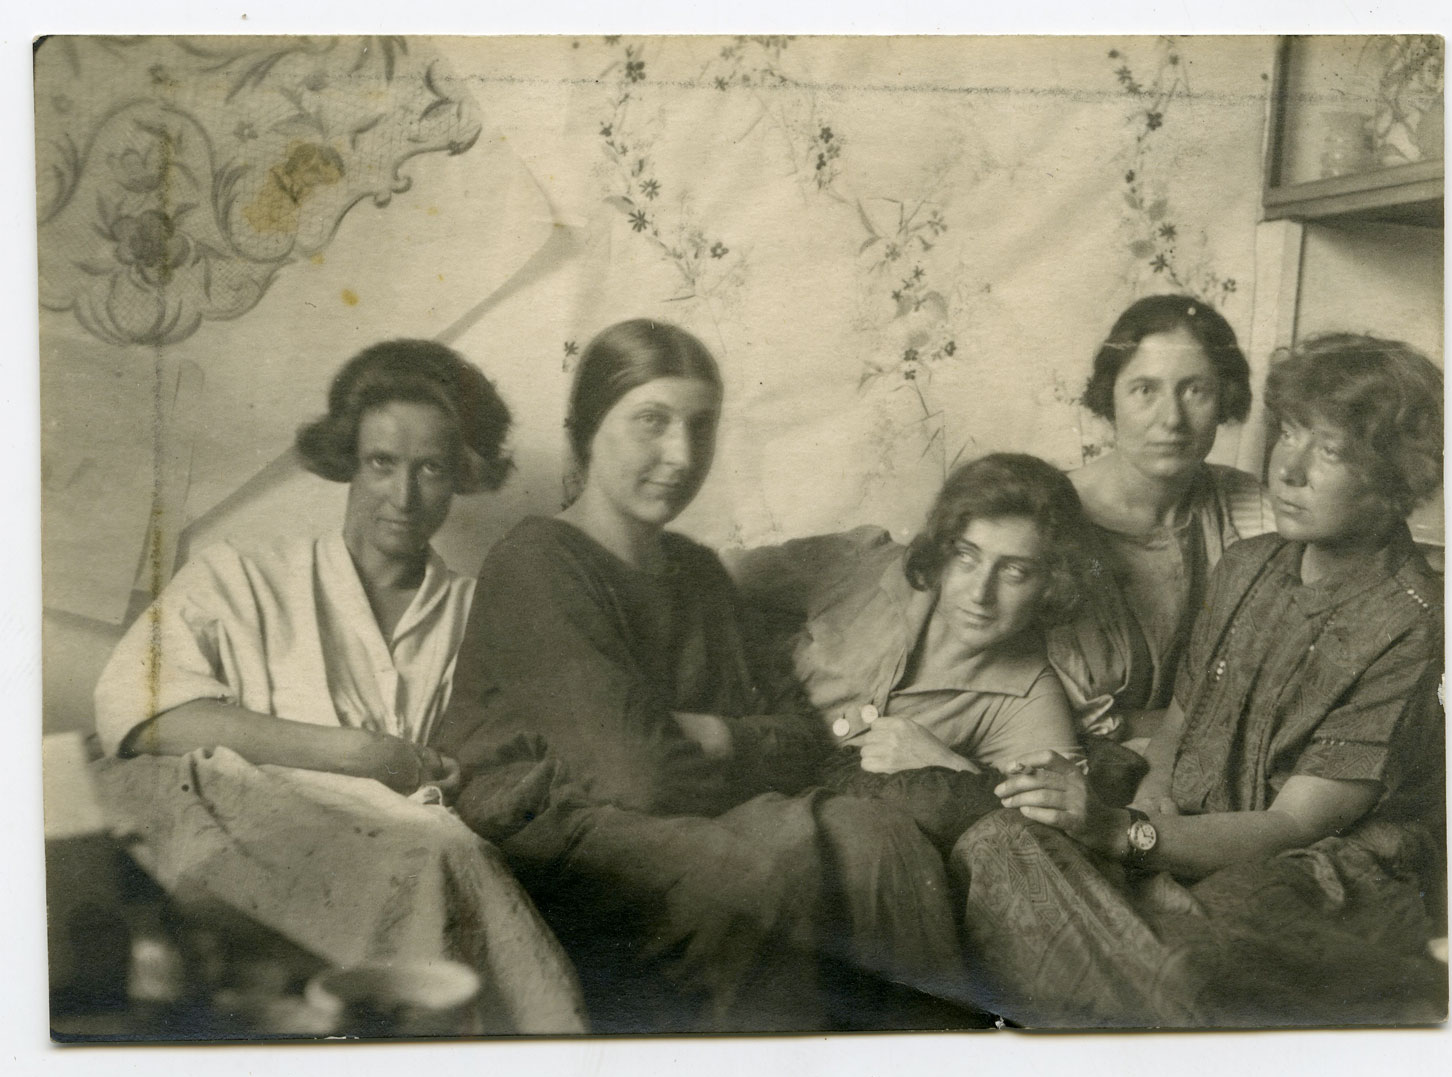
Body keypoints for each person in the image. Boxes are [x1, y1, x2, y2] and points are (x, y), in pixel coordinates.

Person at [433, 318, 968, 1033]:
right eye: (652, 422)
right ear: (586, 429)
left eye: (701, 426)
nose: (682, 455)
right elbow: (638, 777)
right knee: (757, 875)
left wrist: (712, 734)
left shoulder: (697, 572)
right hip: (552, 835)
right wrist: (722, 751)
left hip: (682, 817)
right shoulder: (537, 564)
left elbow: (801, 739)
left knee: (882, 840)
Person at [93, 339, 586, 1035]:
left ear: (461, 475)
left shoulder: (480, 612)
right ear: (349, 459)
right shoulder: (243, 575)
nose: (403, 497)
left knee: (445, 856)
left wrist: (461, 773)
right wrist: (355, 753)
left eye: (431, 469)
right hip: (249, 845)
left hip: (401, 855)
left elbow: (524, 748)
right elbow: (133, 711)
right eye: (382, 463)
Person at [954, 333, 1446, 1028]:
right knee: (998, 840)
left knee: (1221, 929)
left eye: (1331, 451)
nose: (1288, 469)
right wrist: (1150, 805)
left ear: (1398, 480)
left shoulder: (1413, 623)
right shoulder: (1247, 565)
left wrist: (1126, 837)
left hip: (1315, 867)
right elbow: (1181, 727)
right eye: (1290, 433)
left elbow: (1292, 825)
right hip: (1191, 830)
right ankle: (1163, 999)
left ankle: (1161, 1007)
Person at [728, 453, 1089, 848]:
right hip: (725, 758)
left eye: (1014, 571)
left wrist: (948, 766)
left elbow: (1055, 828)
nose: (979, 593)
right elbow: (718, 578)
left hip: (814, 837)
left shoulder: (1029, 698)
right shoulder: (866, 565)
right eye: (966, 555)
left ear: (1051, 584)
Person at [1050, 295, 1273, 743]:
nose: (1172, 419)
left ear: (1224, 398)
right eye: (1145, 390)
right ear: (1110, 398)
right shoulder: (1048, 518)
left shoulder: (1252, 507)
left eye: (1195, 391)